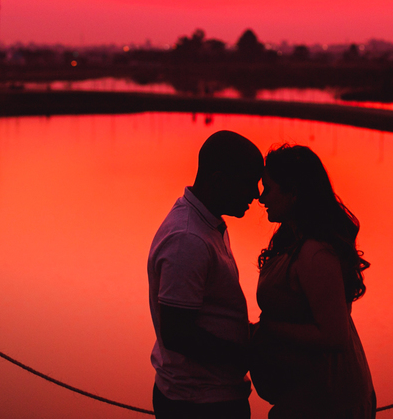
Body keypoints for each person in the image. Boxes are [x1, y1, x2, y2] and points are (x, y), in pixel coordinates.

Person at [251, 144, 375, 419]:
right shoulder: (290, 239)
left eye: (268, 188)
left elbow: (334, 336)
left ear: (293, 192)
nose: (261, 198)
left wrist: (269, 329)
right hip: (304, 393)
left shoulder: (315, 253)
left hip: (330, 400)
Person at [148, 130, 265, 419]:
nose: (256, 194)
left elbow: (208, 316)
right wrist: (248, 356)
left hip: (209, 396)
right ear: (219, 181)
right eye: (249, 183)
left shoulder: (206, 226)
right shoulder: (188, 240)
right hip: (198, 404)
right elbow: (177, 334)